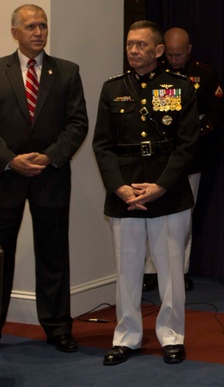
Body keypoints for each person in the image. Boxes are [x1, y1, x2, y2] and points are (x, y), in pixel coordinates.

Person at [92, 21, 199, 366]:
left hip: (166, 190)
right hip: (126, 191)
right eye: (129, 44)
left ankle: (171, 336)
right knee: (127, 269)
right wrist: (119, 187)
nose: (133, 50)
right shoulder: (112, 89)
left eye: (140, 45)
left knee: (170, 270)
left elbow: (186, 145)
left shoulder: (179, 87)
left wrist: (160, 186)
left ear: (158, 51)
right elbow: (103, 146)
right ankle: (127, 337)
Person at [0, 5, 88, 353]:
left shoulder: (67, 72)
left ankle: (58, 328)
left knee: (53, 255)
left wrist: (51, 156)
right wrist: (10, 160)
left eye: (43, 25)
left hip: (51, 176)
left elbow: (77, 124)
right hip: (3, 180)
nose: (38, 32)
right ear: (14, 31)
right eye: (30, 26)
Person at [141, 27, 223, 293]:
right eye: (170, 54)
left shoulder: (205, 75)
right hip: (157, 156)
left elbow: (214, 115)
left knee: (183, 216)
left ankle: (181, 270)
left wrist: (190, 137)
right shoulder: (155, 75)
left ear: (189, 50)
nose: (174, 60)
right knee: (152, 213)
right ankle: (151, 271)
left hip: (191, 156)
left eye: (179, 54)